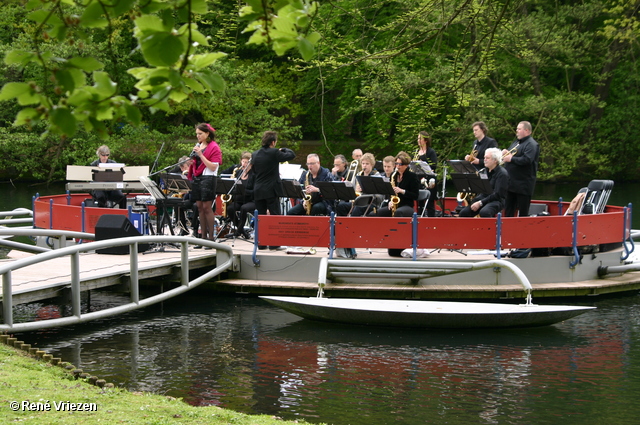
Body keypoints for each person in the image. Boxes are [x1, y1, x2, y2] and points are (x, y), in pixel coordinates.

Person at [187, 123, 222, 245]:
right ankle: (203, 237)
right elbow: (197, 164)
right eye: (197, 134)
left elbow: (213, 167)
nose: (198, 136)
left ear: (207, 134)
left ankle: (211, 238)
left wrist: (201, 155)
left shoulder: (214, 147)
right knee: (200, 208)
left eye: (200, 134)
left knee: (207, 207)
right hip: (198, 178)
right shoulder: (198, 146)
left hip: (208, 178)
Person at [251, 131, 296, 217]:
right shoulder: (274, 152)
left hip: (258, 189)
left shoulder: (255, 154)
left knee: (260, 217)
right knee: (275, 216)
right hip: (271, 190)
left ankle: (260, 231)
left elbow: (254, 171)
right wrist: (283, 149)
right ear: (273, 142)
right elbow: (291, 155)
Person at [502, 121, 540, 217]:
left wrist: (511, 158)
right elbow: (512, 154)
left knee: (523, 213)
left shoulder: (532, 144)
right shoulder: (517, 142)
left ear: (526, 130)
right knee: (508, 211)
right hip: (511, 183)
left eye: (519, 129)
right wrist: (506, 153)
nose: (516, 131)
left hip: (523, 185)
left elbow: (527, 160)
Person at [458, 148, 509, 218]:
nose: (484, 159)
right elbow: (481, 189)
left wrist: (480, 203)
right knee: (464, 213)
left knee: (485, 212)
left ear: (495, 160)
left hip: (496, 200)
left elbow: (498, 195)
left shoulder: (502, 174)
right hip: (484, 198)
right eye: (484, 157)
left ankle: (490, 228)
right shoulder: (484, 171)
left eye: (487, 158)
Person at [335, 152, 379, 217]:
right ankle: (343, 225)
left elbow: (379, 195)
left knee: (357, 208)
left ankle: (352, 225)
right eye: (363, 163)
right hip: (358, 201)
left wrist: (365, 188)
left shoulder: (376, 176)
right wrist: (353, 188)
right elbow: (352, 190)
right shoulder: (359, 175)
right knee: (341, 206)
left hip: (370, 203)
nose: (364, 165)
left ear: (372, 165)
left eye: (367, 164)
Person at [414, 131, 438, 217]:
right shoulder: (416, 151)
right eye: (418, 138)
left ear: (426, 140)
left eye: (420, 138)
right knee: (419, 203)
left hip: (429, 179)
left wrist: (422, 164)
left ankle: (431, 221)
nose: (418, 140)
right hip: (418, 179)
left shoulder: (431, 152)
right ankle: (420, 219)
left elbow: (434, 166)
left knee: (430, 203)